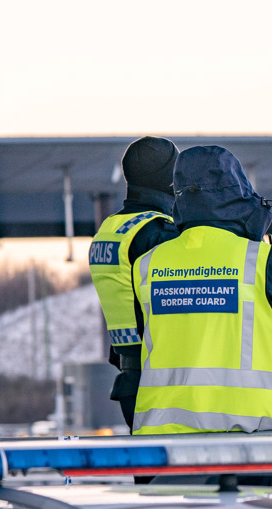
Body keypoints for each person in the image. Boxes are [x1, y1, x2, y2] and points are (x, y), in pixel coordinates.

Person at [131, 145, 272, 435]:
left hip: (165, 441)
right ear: (238, 193)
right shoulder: (266, 262)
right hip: (261, 439)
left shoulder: (147, 265)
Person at [88, 136, 181, 428]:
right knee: (178, 469)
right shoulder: (156, 232)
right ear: (169, 180)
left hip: (129, 372)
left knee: (148, 468)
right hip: (161, 375)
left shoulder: (111, 228)